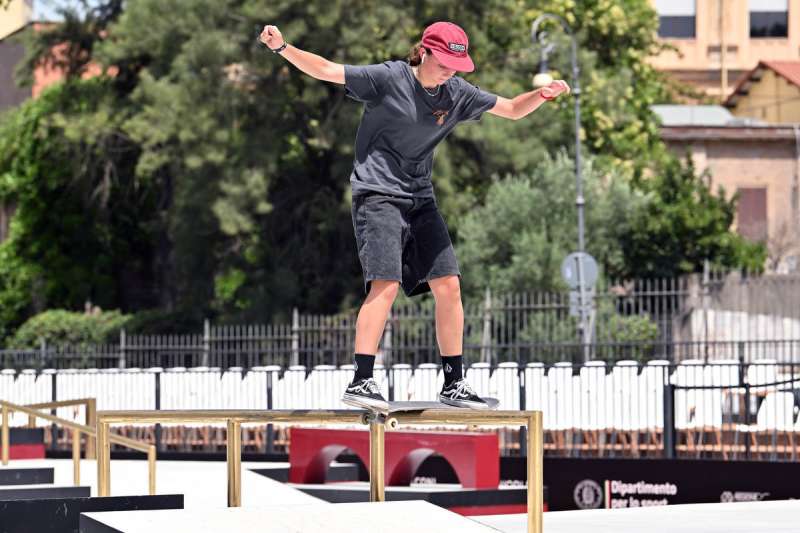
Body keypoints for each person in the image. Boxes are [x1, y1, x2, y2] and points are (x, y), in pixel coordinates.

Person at [259, 21, 569, 411]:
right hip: (377, 195)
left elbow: (510, 109)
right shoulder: (388, 78)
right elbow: (326, 69)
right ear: (424, 52)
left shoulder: (456, 93)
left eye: (457, 65)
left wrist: (541, 95)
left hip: (420, 198)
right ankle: (361, 380)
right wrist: (282, 47)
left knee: (449, 284)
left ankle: (454, 382)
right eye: (443, 63)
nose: (450, 72)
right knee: (385, 285)